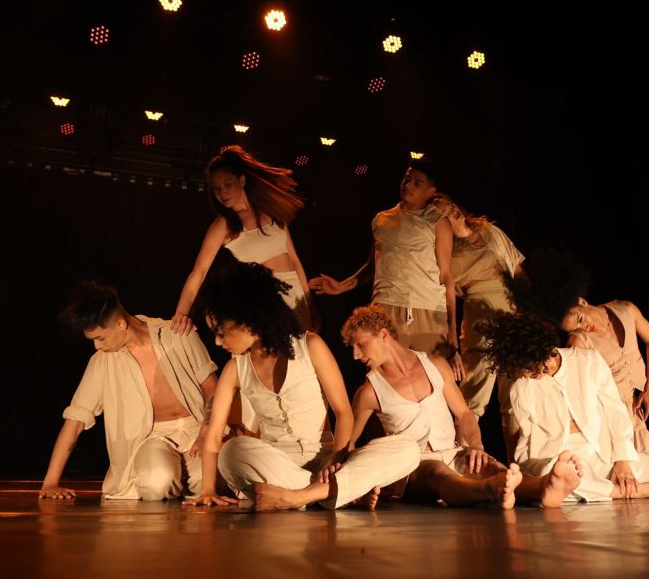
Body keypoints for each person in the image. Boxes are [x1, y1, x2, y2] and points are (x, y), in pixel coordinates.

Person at [185, 263, 419, 511]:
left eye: (221, 332)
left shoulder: (311, 346)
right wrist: (207, 489)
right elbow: (213, 435)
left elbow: (343, 412)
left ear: (247, 321)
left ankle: (298, 498)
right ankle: (337, 493)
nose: (218, 341)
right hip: (276, 464)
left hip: (325, 460)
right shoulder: (235, 368)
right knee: (231, 452)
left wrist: (337, 461)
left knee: (407, 448)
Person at [342, 306, 586, 508]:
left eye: (359, 345)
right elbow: (348, 446)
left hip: (453, 451)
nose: (354, 355)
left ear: (383, 335)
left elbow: (464, 414)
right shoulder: (368, 392)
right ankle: (493, 490)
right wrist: (357, 488)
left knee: (491, 467)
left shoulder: (435, 365)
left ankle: (545, 487)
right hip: (413, 468)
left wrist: (477, 447)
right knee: (438, 472)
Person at [478, 312, 649, 502]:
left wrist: (623, 461)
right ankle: (622, 493)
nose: (527, 374)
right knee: (553, 474)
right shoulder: (521, 387)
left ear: (541, 350)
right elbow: (529, 443)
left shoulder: (589, 361)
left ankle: (600, 491)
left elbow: (616, 412)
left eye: (529, 367)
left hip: (607, 457)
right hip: (560, 462)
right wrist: (531, 473)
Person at [39, 281, 219, 500]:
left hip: (197, 429)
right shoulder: (101, 362)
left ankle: (186, 477)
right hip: (152, 437)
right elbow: (75, 420)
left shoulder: (177, 334)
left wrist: (206, 432)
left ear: (121, 324)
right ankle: (173, 477)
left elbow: (213, 390)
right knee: (156, 484)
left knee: (210, 483)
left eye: (100, 338)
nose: (97, 346)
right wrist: (50, 482)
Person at [310, 159, 462, 377]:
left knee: (431, 380)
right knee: (386, 379)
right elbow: (373, 266)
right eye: (407, 178)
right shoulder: (382, 219)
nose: (408, 185)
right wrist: (343, 286)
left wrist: (452, 330)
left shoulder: (438, 222)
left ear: (431, 191)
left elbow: (446, 276)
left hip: (429, 311)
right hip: (387, 308)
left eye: (417, 183)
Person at [508, 248, 649, 452]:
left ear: (582, 302)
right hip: (612, 418)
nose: (584, 328)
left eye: (580, 319)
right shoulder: (578, 343)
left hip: (638, 409)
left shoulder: (625, 309)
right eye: (575, 328)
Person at [171, 145, 316, 335]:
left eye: (227, 185)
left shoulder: (271, 210)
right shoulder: (224, 225)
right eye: (216, 189)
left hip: (296, 296)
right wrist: (181, 313)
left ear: (242, 180)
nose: (222, 193)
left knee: (301, 357)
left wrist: (312, 308)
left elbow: (294, 261)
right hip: (263, 299)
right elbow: (199, 272)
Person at [429, 194, 524, 456]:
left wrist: (531, 305)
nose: (452, 211)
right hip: (480, 315)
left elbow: (517, 267)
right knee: (475, 389)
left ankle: (517, 465)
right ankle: (460, 457)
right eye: (443, 212)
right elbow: (445, 292)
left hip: (513, 310)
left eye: (451, 205)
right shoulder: (446, 251)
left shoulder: (489, 230)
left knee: (516, 395)